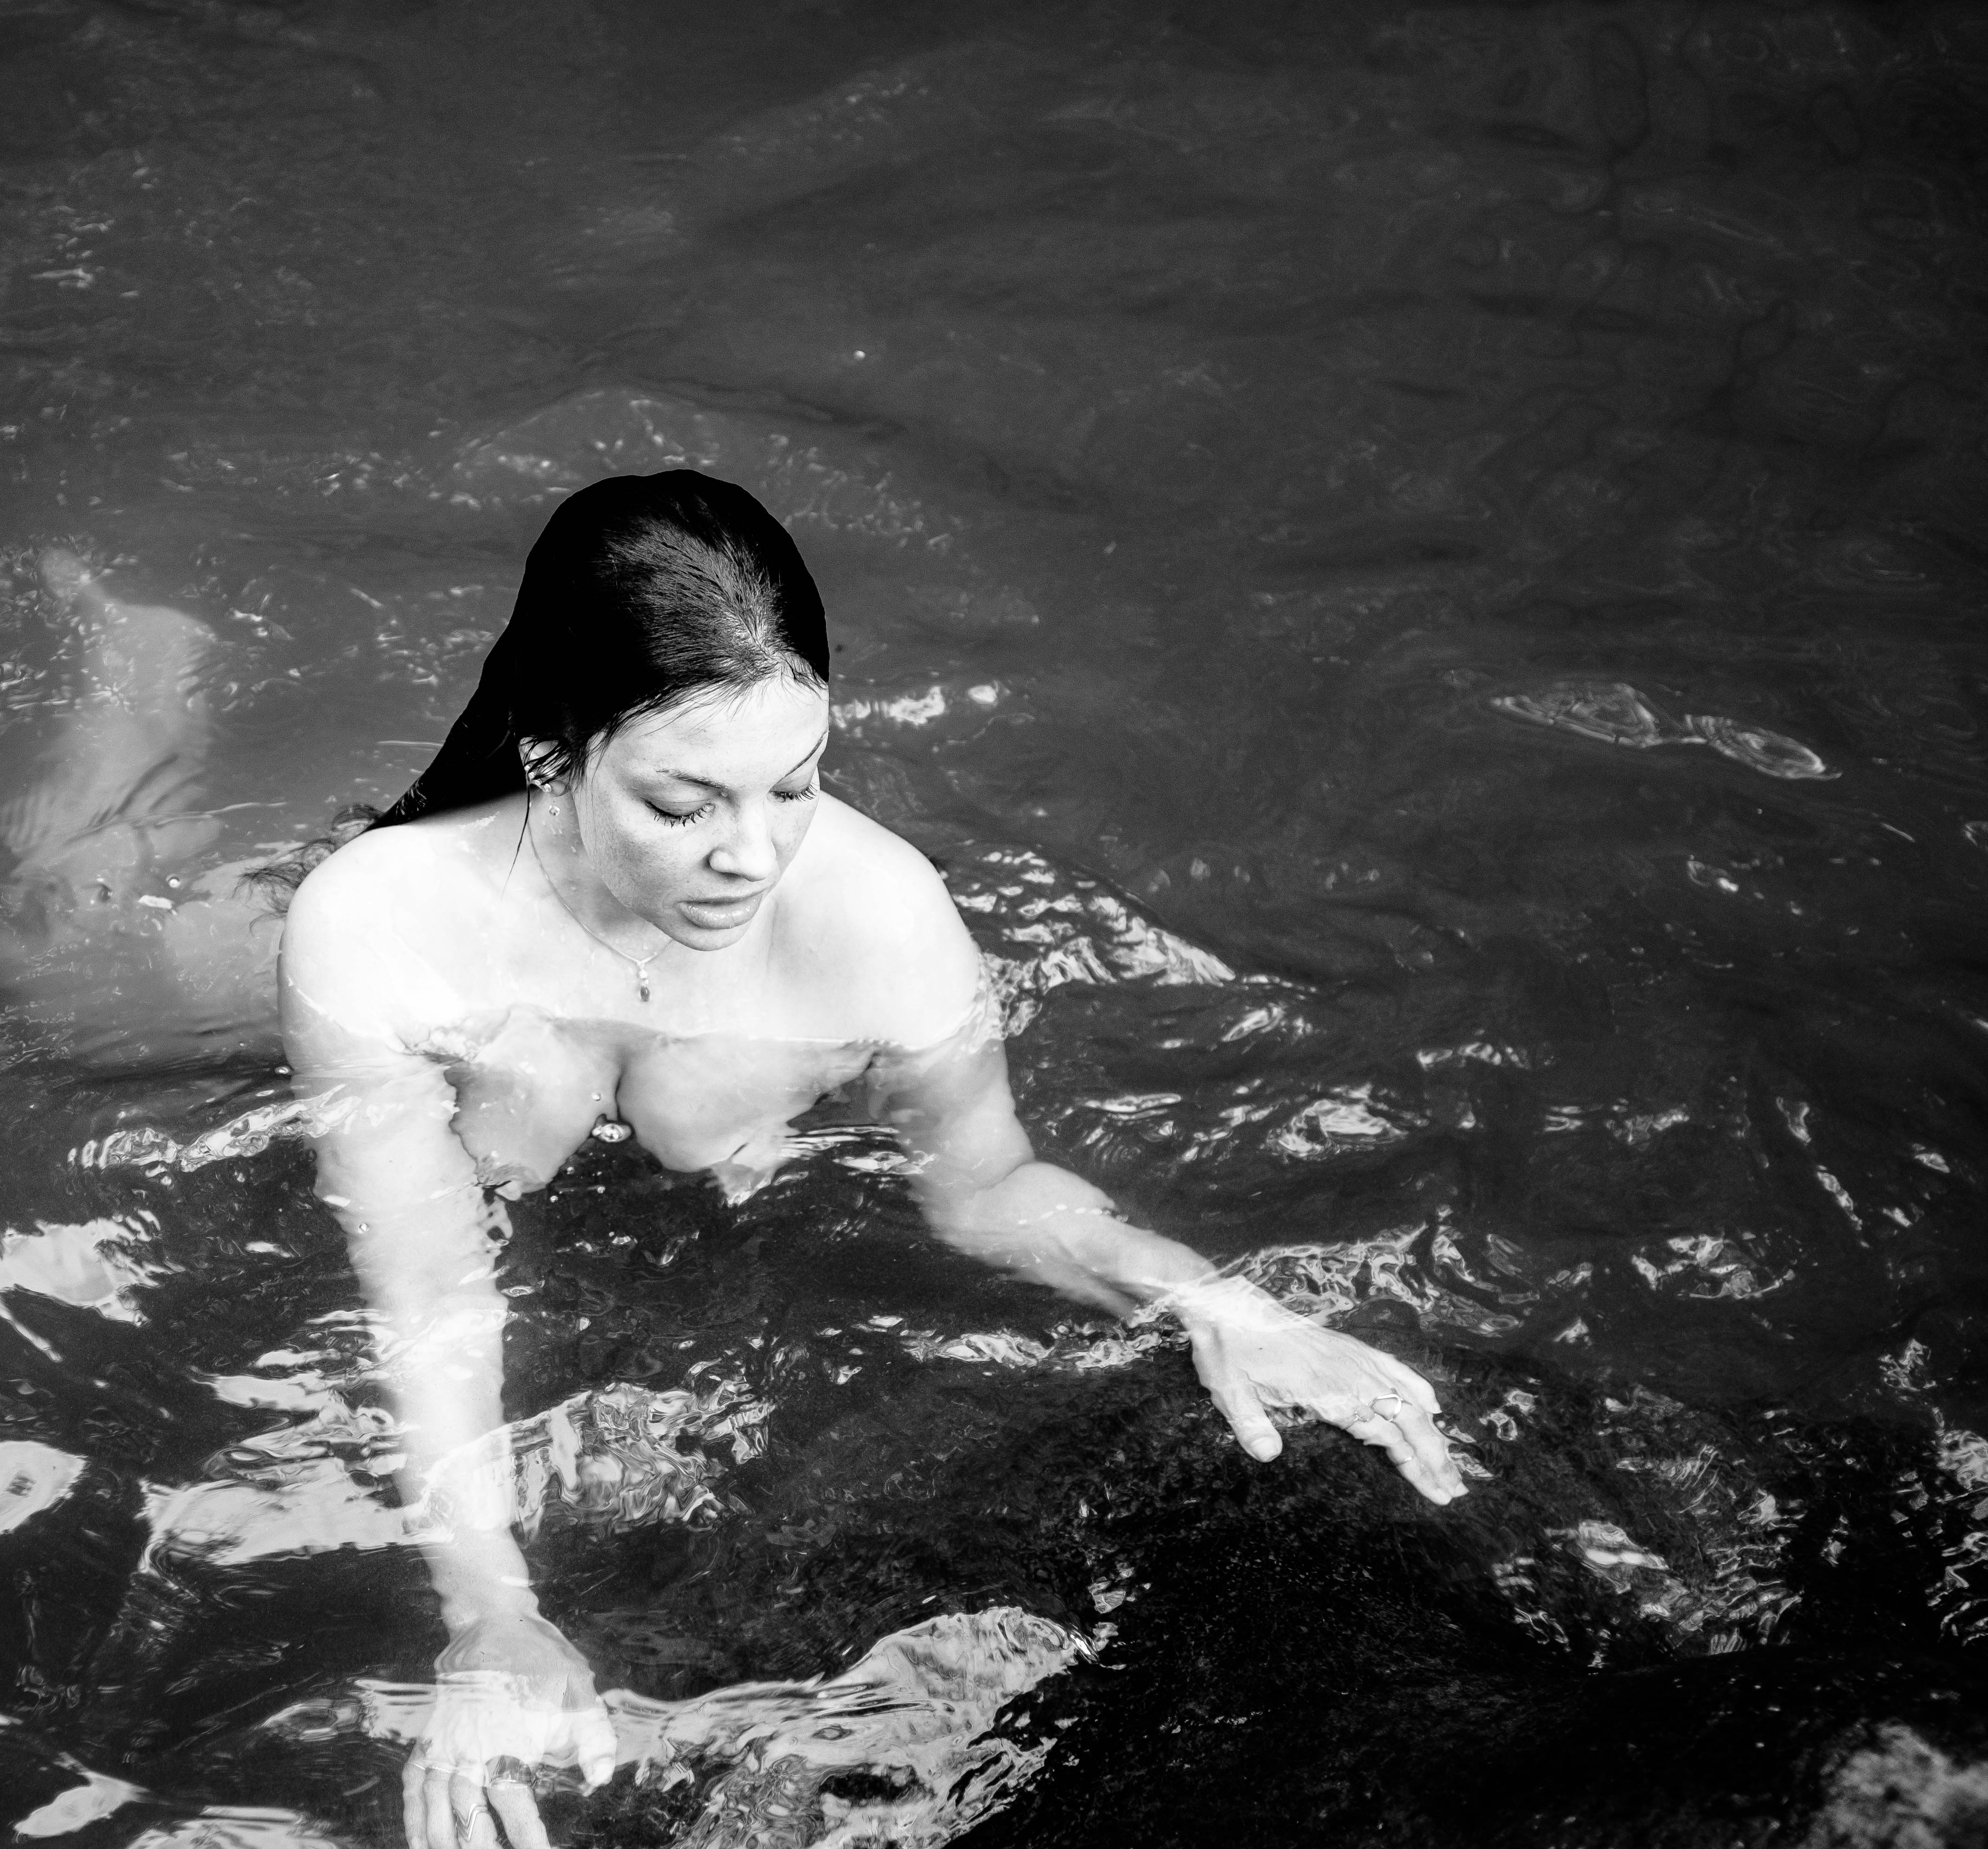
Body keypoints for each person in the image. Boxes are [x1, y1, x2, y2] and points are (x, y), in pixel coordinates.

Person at [273, 471, 1463, 1849]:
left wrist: (1210, 1299)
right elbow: (430, 1295)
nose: (755, 855)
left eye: (796, 785)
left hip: (718, 1261)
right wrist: (492, 1611)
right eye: (685, 804)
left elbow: (987, 1188)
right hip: (487, 1222)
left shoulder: (880, 913)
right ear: (550, 752)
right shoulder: (380, 923)